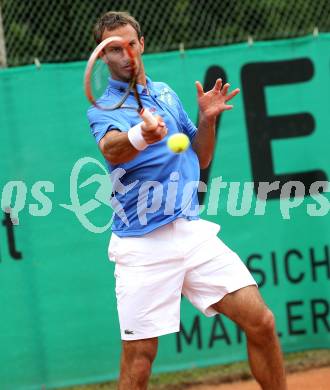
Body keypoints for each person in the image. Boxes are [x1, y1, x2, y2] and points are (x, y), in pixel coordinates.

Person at [87, 11, 287, 390]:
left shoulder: (165, 94)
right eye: (114, 49)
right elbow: (112, 150)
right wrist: (141, 135)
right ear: (102, 57)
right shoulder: (104, 109)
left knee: (261, 321)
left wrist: (207, 120)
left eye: (131, 43)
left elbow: (201, 155)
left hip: (189, 232)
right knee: (140, 358)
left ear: (142, 44)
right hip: (141, 246)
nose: (126, 54)